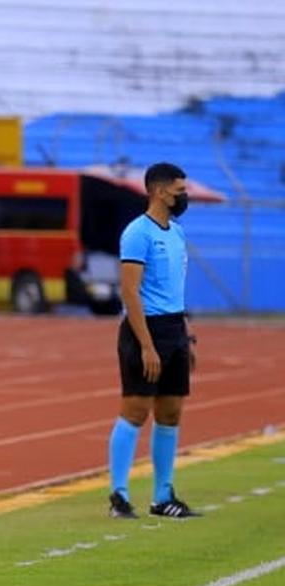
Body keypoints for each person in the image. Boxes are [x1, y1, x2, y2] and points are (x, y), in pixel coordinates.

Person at [108, 162, 200, 520]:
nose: (183, 197)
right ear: (159, 191)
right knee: (136, 409)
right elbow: (130, 292)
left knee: (170, 411)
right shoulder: (137, 233)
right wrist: (146, 345)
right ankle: (119, 494)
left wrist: (186, 337)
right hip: (144, 329)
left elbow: (176, 289)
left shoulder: (176, 233)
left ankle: (163, 496)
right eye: (179, 191)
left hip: (174, 328)